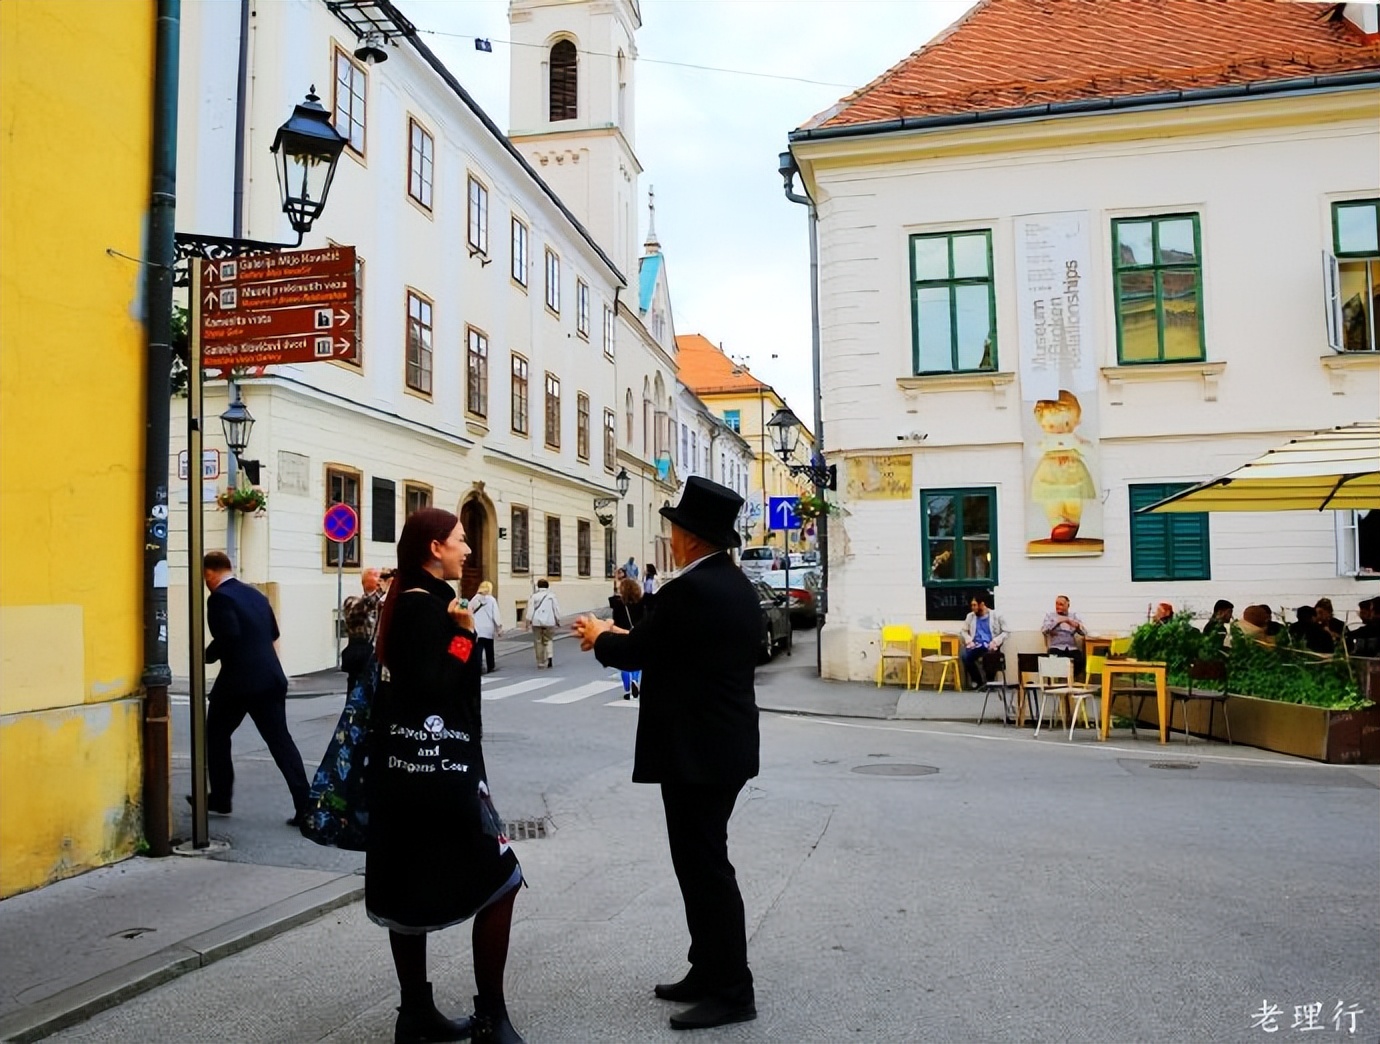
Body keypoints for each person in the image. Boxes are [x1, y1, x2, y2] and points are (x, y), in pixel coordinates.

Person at [571, 477, 760, 1031]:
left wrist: (598, 634)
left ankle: (732, 988)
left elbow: (640, 649)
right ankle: (707, 969)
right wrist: (613, 634)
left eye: (675, 528)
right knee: (701, 862)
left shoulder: (691, 590)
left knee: (705, 869)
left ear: (693, 537)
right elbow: (679, 651)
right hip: (719, 748)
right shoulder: (734, 585)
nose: (670, 535)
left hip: (697, 753)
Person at [367, 507, 524, 1044]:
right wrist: (464, 635)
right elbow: (436, 686)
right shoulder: (424, 608)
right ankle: (491, 1018)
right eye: (459, 541)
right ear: (434, 548)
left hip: (409, 775)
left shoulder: (413, 602)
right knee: (503, 879)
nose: (468, 549)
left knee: (409, 890)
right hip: (439, 774)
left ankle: (416, 1015)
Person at [198, 551, 310, 825]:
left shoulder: (220, 598)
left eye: (205, 577)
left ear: (209, 573)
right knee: (281, 742)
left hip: (240, 682)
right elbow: (273, 634)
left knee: (215, 735)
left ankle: (222, 797)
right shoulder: (256, 595)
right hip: (271, 678)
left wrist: (205, 655)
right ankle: (306, 807)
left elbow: (229, 635)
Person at [342, 567, 389, 690]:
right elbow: (366, 604)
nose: (380, 579)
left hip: (377, 657)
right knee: (356, 697)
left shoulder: (384, 603)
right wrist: (382, 590)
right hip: (360, 657)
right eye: (376, 576)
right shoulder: (352, 602)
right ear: (366, 581)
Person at [609, 576, 647, 699]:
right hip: (638, 633)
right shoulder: (641, 602)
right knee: (638, 660)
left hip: (622, 633)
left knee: (624, 662)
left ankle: (627, 690)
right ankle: (635, 680)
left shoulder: (618, 604)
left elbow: (615, 621)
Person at [959, 594, 1008, 689]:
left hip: (990, 644)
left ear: (982, 604)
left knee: (989, 656)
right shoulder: (970, 616)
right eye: (972, 605)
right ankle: (978, 681)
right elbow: (963, 631)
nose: (973, 608)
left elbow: (1006, 631)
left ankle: (990, 682)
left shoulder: (996, 615)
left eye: (974, 605)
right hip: (976, 645)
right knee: (965, 656)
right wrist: (969, 641)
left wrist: (996, 641)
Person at [1041, 594, 1086, 679]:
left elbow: (1084, 632)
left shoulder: (1073, 616)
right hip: (1056, 647)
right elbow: (1044, 630)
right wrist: (1057, 622)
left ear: (1067, 605)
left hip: (1071, 647)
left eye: (1061, 604)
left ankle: (1072, 680)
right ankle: (1060, 681)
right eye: (1056, 604)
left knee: (1080, 659)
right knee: (1054, 658)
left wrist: (1070, 622)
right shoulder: (1050, 616)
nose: (1058, 607)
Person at [469, 581, 502, 674]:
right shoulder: (491, 600)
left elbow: (469, 613)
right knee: (489, 648)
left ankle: (478, 667)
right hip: (488, 628)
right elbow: (496, 614)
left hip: (477, 627)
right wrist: (498, 627)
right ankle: (491, 666)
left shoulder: (474, 599)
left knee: (478, 649)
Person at [527, 579, 560, 669]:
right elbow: (556, 609)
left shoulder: (534, 596)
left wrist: (528, 621)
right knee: (548, 639)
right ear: (547, 586)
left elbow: (530, 610)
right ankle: (549, 657)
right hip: (549, 622)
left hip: (537, 622)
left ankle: (540, 662)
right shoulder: (552, 596)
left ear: (538, 586)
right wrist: (558, 620)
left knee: (538, 641)